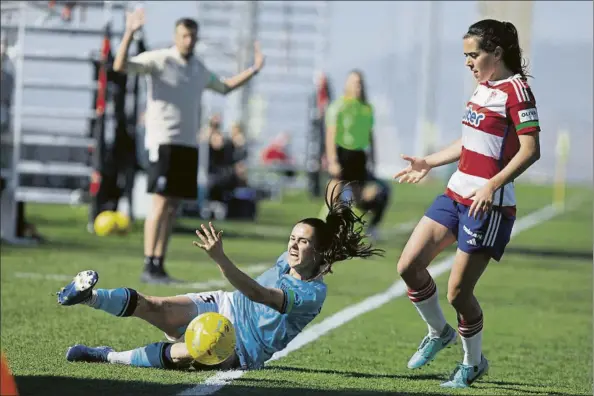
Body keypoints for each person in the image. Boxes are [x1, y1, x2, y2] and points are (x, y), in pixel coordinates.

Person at [56, 185, 384, 371]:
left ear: (318, 252)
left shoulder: (312, 294)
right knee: (153, 305)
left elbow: (259, 294)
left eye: (303, 241)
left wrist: (220, 259)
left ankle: (105, 355)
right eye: (293, 237)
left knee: (189, 350)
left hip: (241, 347)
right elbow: (252, 290)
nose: (293, 245)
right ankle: (89, 297)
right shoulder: (291, 259)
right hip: (224, 304)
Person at [393, 19, 541, 388]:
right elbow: (469, 143)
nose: (468, 62)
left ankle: (472, 363)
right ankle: (438, 332)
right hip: (455, 193)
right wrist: (429, 161)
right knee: (409, 265)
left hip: (487, 206)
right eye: (465, 55)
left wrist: (492, 184)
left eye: (473, 54)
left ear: (497, 53)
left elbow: (531, 151)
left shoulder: (517, 91)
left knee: (458, 292)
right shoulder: (481, 89)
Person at [112, 9, 265, 284]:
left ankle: (159, 263)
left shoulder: (198, 69)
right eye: (184, 35)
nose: (189, 40)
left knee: (172, 205)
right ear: (176, 36)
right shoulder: (160, 59)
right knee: (159, 203)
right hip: (163, 142)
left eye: (192, 36)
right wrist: (129, 33)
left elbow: (226, 87)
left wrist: (253, 70)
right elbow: (120, 66)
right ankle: (148, 263)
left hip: (187, 145)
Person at [323, 70, 375, 216]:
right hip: (342, 151)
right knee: (335, 186)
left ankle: (355, 224)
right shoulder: (338, 106)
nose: (357, 87)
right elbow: (330, 134)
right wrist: (332, 160)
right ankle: (330, 217)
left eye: (359, 83)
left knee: (359, 195)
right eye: (354, 83)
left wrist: (373, 157)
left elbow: (370, 135)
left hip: (358, 154)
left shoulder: (367, 108)